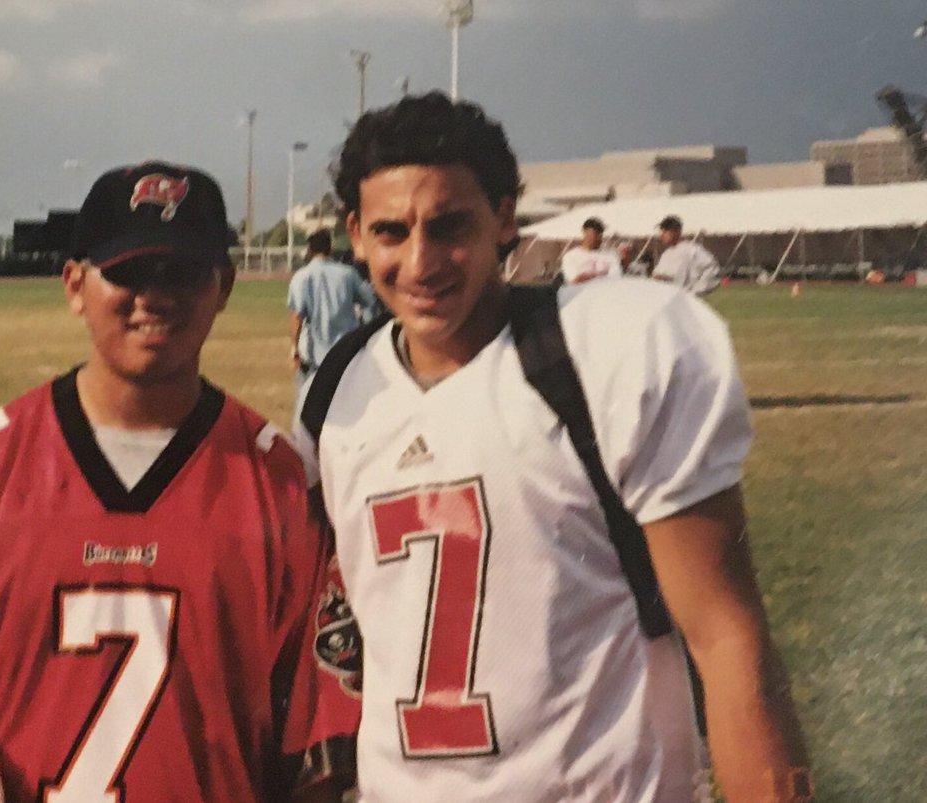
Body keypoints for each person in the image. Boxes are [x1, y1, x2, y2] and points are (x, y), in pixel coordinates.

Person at [294, 92, 812, 801]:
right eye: (391, 231)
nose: (420, 261)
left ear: (504, 216)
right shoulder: (338, 393)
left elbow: (727, 635)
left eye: (449, 225)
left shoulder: (605, 350)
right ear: (355, 233)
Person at [0, 161, 346, 803]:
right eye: (128, 271)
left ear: (224, 286)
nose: (155, 296)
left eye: (182, 272)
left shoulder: (281, 488)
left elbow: (314, 758)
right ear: (75, 285)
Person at [288, 229, 379, 408]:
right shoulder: (347, 274)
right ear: (330, 248)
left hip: (312, 357)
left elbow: (297, 316)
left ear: (309, 250)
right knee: (345, 406)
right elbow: (370, 301)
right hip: (344, 354)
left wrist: (294, 348)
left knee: (307, 407)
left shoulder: (301, 277)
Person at [653, 214, 722, 295]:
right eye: (662, 231)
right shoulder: (666, 254)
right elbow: (659, 275)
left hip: (684, 299)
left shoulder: (691, 250)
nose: (662, 235)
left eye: (666, 231)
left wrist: (696, 292)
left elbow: (712, 268)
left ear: (677, 231)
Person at [559, 216, 623, 284]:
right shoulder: (571, 256)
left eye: (600, 234)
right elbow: (574, 280)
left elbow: (615, 279)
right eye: (595, 234)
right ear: (585, 233)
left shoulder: (611, 255)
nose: (598, 238)